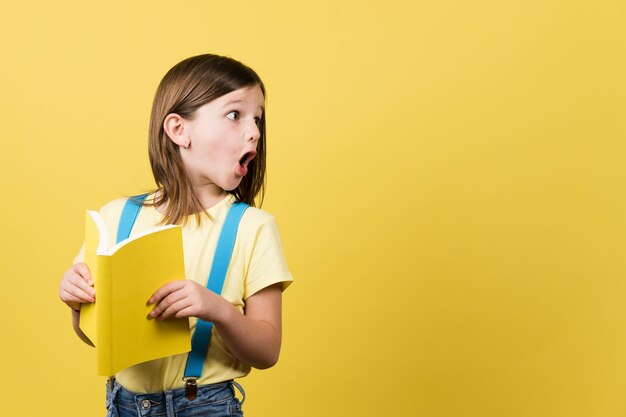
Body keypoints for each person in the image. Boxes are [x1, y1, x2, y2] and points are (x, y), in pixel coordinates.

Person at [58, 54, 293, 417]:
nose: (254, 132)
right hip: (122, 405)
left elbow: (267, 351)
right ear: (178, 130)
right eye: (235, 115)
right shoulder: (116, 217)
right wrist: (77, 305)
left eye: (257, 119)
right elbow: (96, 337)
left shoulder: (253, 227)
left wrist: (218, 310)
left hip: (207, 406)